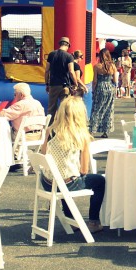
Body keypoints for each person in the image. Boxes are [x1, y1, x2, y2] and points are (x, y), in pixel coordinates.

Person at [38, 96, 106, 233]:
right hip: (65, 184)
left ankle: (71, 219)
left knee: (62, 176)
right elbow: (84, 170)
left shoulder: (51, 130)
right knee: (99, 181)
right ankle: (93, 221)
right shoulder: (81, 135)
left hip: (47, 183)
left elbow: (43, 154)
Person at [0, 82, 47, 166]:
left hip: (23, 137)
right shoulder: (37, 103)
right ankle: (16, 154)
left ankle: (7, 159)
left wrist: (2, 111)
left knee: (3, 133)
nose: (14, 97)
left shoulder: (20, 105)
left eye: (15, 94)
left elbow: (3, 115)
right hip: (39, 136)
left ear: (21, 95)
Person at [45, 37, 77, 117]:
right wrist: (76, 83)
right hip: (65, 86)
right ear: (68, 45)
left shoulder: (51, 54)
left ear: (60, 44)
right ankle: (63, 124)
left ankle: (49, 124)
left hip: (53, 85)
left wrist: (47, 83)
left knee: (51, 108)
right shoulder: (69, 56)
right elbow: (71, 71)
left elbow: (47, 70)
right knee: (65, 108)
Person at [89, 48, 117, 138]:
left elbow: (95, 81)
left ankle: (92, 130)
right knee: (109, 109)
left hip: (100, 88)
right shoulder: (113, 66)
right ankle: (106, 131)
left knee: (96, 109)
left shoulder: (97, 67)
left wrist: (93, 91)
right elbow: (115, 80)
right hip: (110, 87)